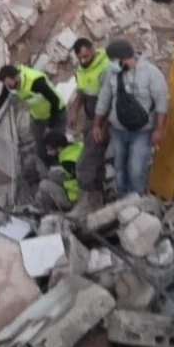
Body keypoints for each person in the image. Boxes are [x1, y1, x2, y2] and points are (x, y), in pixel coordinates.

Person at [92, 39, 169, 196]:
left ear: (123, 58)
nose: (111, 64)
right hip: (118, 130)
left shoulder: (151, 73)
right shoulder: (112, 73)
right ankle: (121, 199)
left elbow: (161, 103)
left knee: (136, 169)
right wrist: (96, 125)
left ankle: (137, 200)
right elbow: (104, 98)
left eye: (113, 61)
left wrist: (159, 130)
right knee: (120, 168)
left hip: (142, 131)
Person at [0, 64, 66, 172]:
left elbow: (55, 101)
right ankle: (48, 170)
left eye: (9, 84)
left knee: (56, 146)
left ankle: (64, 170)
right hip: (38, 117)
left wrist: (51, 126)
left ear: (16, 77)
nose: (9, 87)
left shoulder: (36, 82)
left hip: (56, 115)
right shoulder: (10, 84)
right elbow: (1, 99)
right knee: (41, 147)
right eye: (6, 85)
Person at [68, 38, 111, 215]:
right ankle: (98, 198)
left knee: (83, 165)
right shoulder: (81, 68)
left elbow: (111, 101)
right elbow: (81, 91)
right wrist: (74, 110)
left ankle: (87, 202)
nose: (83, 60)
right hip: (90, 119)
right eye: (80, 58)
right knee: (96, 161)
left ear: (93, 49)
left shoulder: (105, 68)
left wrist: (100, 126)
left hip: (103, 121)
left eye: (86, 56)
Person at [37, 131, 81, 211]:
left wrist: (64, 186)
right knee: (52, 174)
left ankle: (61, 207)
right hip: (86, 188)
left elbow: (78, 184)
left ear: (59, 148)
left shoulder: (67, 162)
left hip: (77, 199)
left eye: (50, 149)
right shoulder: (77, 147)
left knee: (43, 184)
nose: (48, 153)